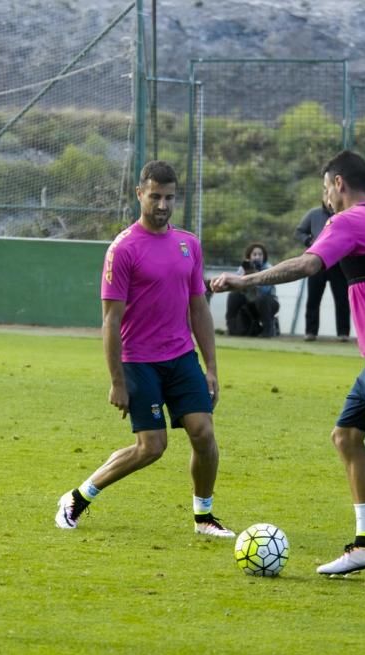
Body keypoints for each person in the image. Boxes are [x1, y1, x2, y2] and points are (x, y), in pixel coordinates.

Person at [211, 149, 365, 575]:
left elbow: (306, 263)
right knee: (346, 437)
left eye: (325, 187)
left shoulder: (349, 221)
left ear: (338, 183)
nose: (325, 197)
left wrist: (244, 279)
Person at [55, 160, 234, 538]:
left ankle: (204, 517)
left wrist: (212, 367)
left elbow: (198, 308)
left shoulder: (189, 244)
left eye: (170, 197)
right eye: (155, 196)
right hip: (139, 362)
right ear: (139, 194)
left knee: (203, 433)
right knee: (151, 447)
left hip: (182, 356)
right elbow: (110, 321)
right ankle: (77, 497)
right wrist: (116, 381)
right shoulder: (123, 249)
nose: (163, 205)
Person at [294, 199, 350, 341]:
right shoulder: (314, 214)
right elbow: (299, 231)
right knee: (313, 298)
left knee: (342, 299)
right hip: (316, 262)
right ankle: (311, 332)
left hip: (338, 263)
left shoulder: (344, 214)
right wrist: (308, 241)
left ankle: (343, 333)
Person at [225, 242, 280, 338]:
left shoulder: (268, 269)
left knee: (262, 299)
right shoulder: (243, 268)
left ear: (264, 256)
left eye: (260, 254)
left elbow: (265, 291)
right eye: (254, 254)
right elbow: (236, 286)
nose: (257, 257)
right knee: (233, 296)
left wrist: (255, 276)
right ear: (249, 256)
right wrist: (244, 276)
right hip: (249, 302)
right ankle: (232, 329)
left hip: (268, 302)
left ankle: (268, 331)